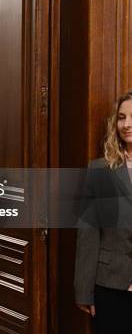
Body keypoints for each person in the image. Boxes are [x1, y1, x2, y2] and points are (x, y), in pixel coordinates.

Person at [74, 92, 132, 334]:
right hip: (110, 284)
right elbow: (88, 234)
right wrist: (84, 291)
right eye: (121, 117)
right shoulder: (100, 170)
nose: (127, 124)